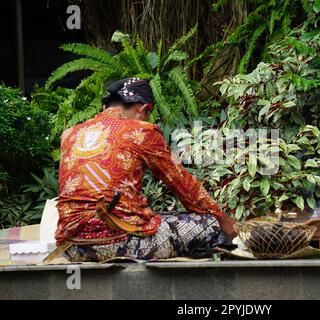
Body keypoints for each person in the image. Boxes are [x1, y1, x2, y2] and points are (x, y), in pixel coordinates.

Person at [55, 77, 237, 262]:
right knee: (210, 224)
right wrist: (222, 219)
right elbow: (183, 185)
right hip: (115, 243)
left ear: (106, 106)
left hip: (71, 246)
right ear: (142, 110)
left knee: (162, 218)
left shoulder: (70, 134)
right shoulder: (142, 131)